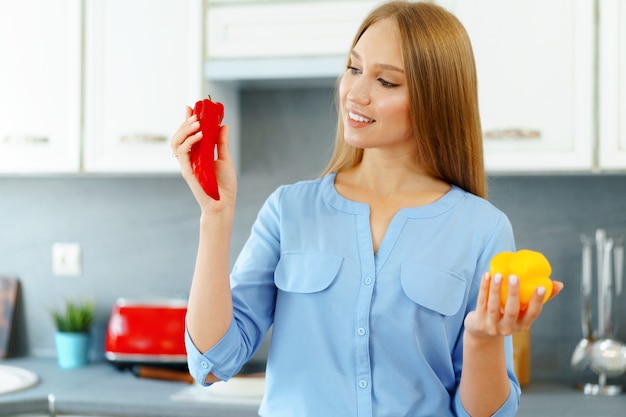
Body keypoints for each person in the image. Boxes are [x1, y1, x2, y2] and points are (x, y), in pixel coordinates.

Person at [171, 1, 563, 416]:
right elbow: (212, 361)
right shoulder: (289, 210)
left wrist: (483, 339)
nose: (355, 93)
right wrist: (215, 218)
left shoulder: (482, 229)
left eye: (386, 82)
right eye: (354, 69)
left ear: (436, 98)